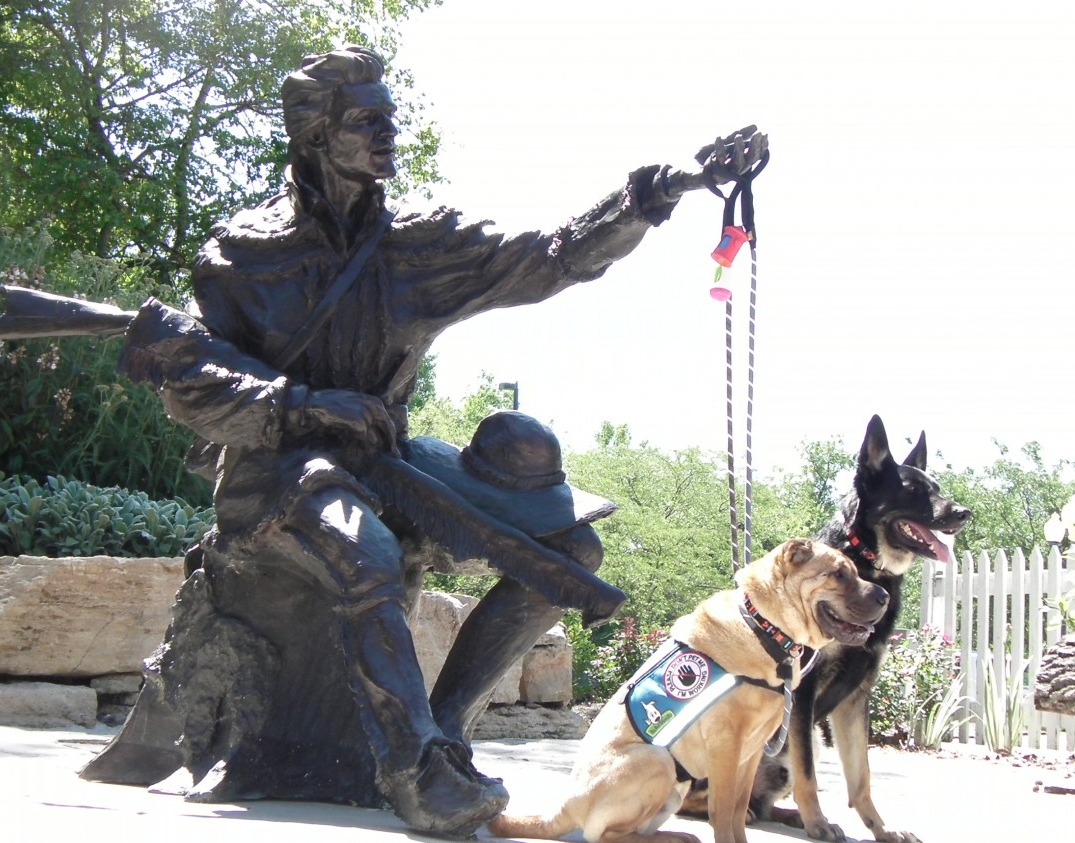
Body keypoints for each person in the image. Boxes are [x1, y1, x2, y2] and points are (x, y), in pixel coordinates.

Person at [90, 45, 768, 838]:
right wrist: (309, 404)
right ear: (315, 136)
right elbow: (198, 391)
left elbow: (546, 257)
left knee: (569, 551)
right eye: (367, 120)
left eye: (390, 116)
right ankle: (415, 771)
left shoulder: (417, 244)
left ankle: (441, 733)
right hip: (276, 472)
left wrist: (655, 193)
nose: (389, 132)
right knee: (365, 548)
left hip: (387, 463)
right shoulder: (243, 259)